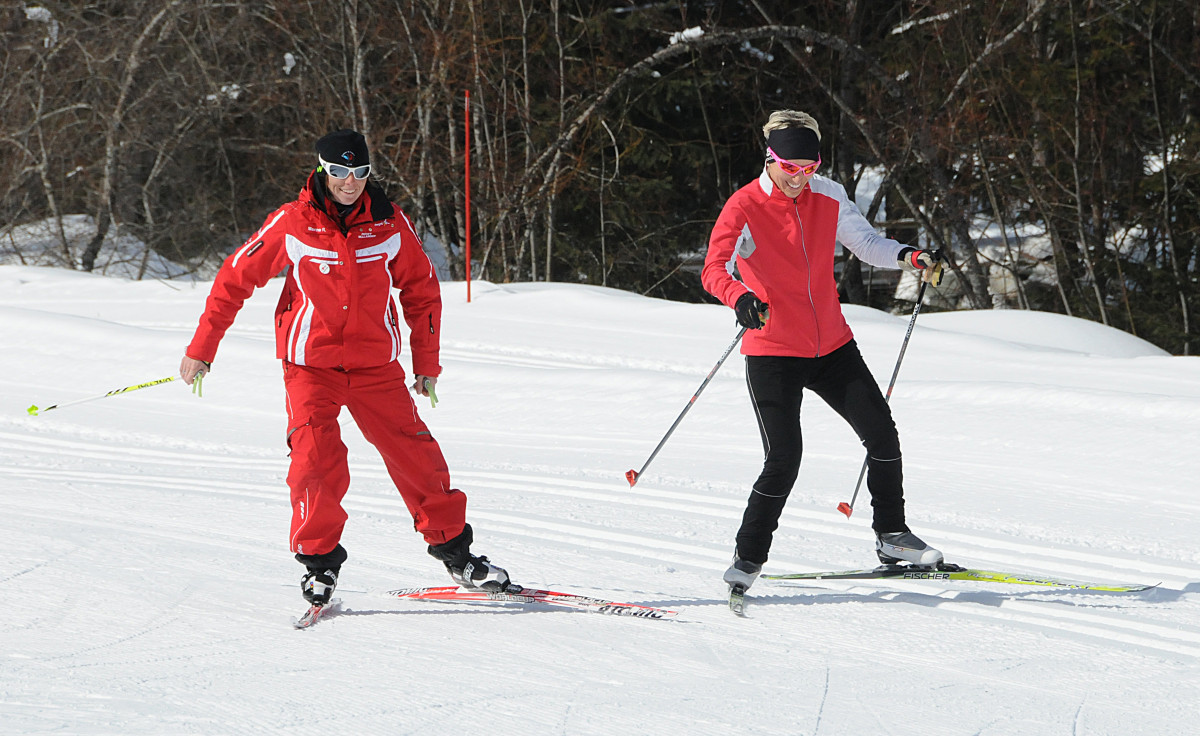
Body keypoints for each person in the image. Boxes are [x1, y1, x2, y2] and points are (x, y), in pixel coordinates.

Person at [180, 129, 509, 606]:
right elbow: (234, 279)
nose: (349, 183)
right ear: (321, 170)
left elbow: (422, 291)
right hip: (310, 366)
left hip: (375, 365)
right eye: (339, 172)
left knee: (417, 456)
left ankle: (458, 555)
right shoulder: (292, 223)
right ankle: (319, 567)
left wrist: (427, 363)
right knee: (315, 461)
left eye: (359, 173)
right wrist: (202, 348)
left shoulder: (389, 223)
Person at [701, 110, 946, 593]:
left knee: (882, 434)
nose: (799, 179)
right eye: (789, 169)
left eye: (808, 169)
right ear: (770, 160)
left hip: (832, 344)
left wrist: (909, 256)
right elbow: (714, 269)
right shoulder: (744, 205)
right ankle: (748, 557)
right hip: (773, 349)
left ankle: (892, 536)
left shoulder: (829, 195)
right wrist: (741, 297)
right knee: (785, 456)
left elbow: (867, 244)